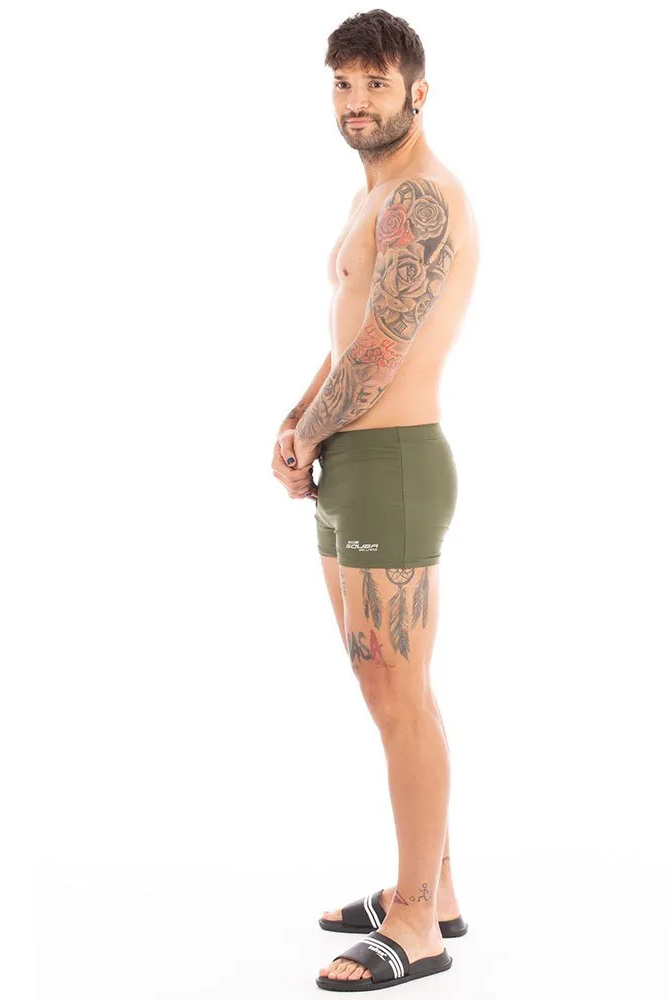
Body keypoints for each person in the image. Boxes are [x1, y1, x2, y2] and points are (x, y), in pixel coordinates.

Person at [270, 10, 479, 991]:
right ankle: (433, 885)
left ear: (417, 92)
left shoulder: (422, 200)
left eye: (376, 85)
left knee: (397, 691)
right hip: (354, 457)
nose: (356, 104)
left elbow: (388, 348)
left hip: (391, 462)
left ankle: (415, 924)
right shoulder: (378, 195)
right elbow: (351, 333)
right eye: (343, 85)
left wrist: (314, 433)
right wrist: (299, 416)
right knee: (389, 686)